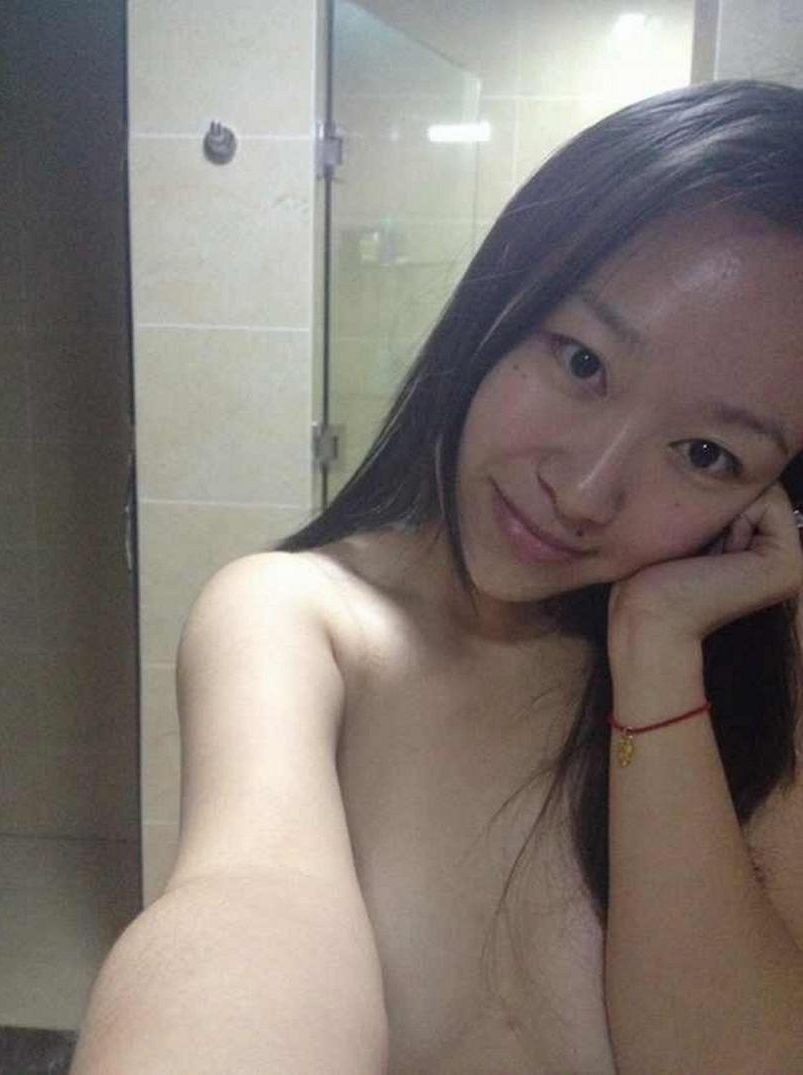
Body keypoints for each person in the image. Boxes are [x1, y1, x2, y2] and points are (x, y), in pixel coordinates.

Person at [72, 79, 803, 1075]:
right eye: (581, 362)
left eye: (706, 454)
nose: (584, 491)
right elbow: (245, 910)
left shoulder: (755, 679)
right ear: (501, 299)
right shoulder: (304, 621)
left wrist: (658, 661)